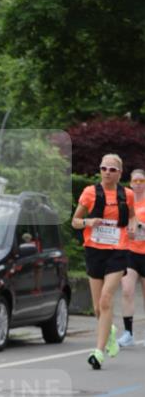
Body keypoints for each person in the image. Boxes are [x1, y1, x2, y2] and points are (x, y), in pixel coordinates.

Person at [71, 154, 136, 370]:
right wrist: (88, 221)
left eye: (112, 169)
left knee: (106, 299)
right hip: (94, 251)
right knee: (98, 307)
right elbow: (75, 221)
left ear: (120, 173)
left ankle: (98, 352)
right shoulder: (90, 192)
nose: (107, 172)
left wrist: (133, 226)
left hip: (118, 251)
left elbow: (132, 216)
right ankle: (110, 332)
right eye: (104, 168)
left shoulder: (127, 195)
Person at [118, 168, 145, 347]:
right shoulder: (126, 203)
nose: (138, 184)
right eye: (135, 181)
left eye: (141, 181)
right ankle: (128, 333)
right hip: (130, 252)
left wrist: (140, 226)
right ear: (130, 183)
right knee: (127, 290)